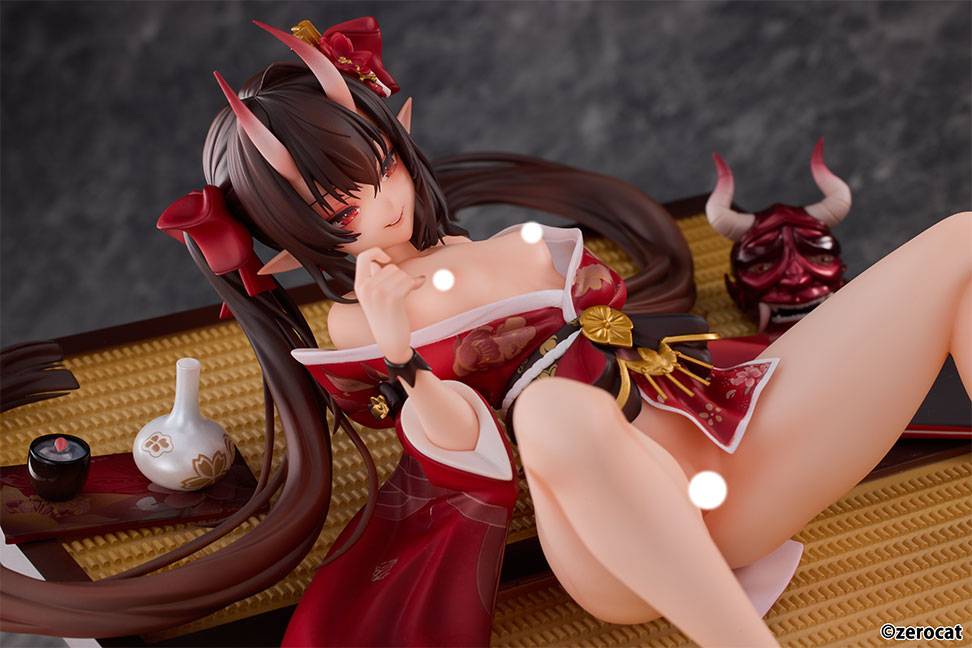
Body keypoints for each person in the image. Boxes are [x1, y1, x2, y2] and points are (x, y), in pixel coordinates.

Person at [3, 17, 969, 648]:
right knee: (549, 409)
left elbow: (625, 331)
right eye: (331, 207)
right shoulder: (359, 315)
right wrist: (398, 354)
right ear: (296, 233)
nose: (370, 206)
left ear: (394, 140)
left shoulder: (521, 244)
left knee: (962, 240)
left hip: (721, 441)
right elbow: (462, 463)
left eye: (370, 169)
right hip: (613, 546)